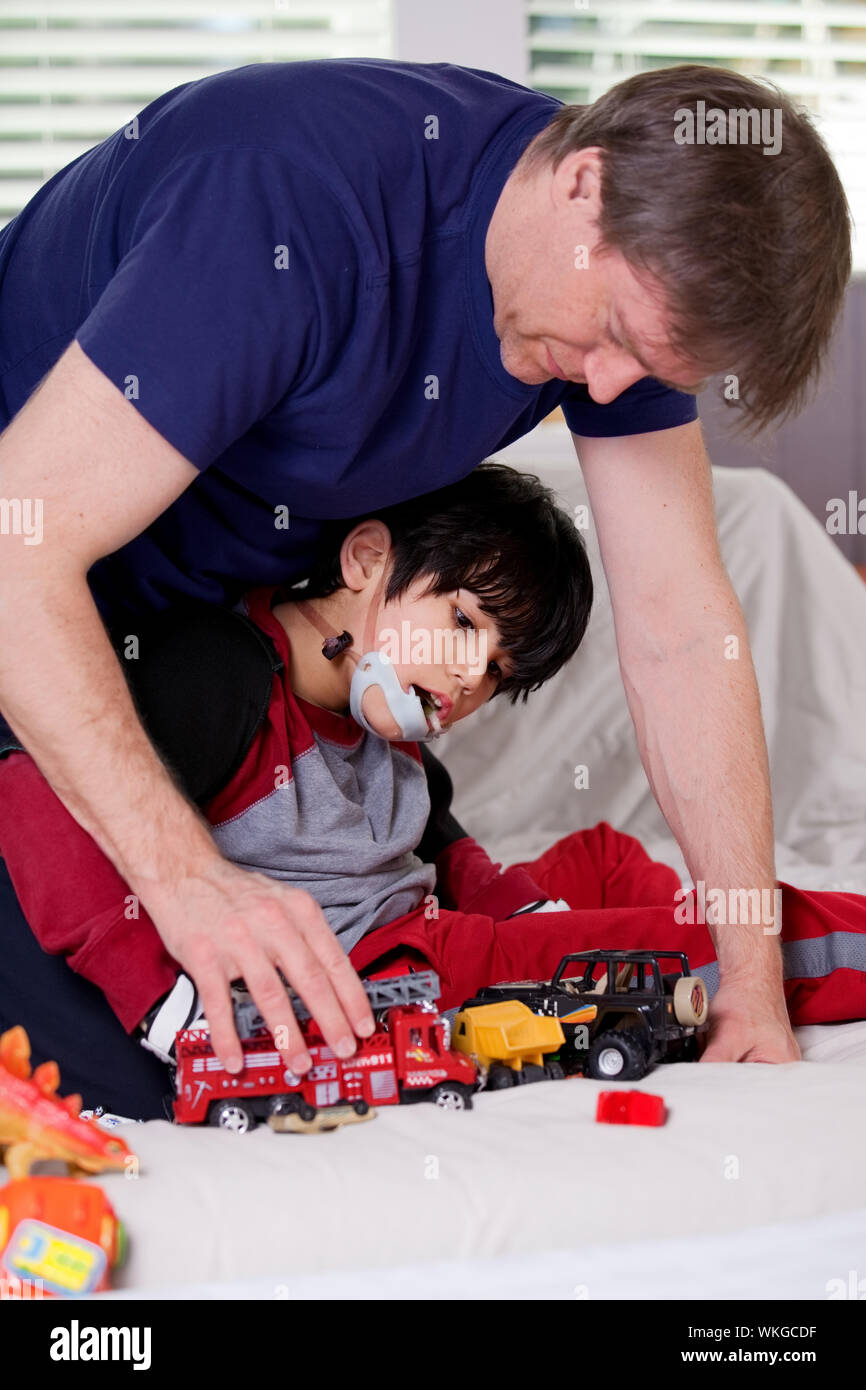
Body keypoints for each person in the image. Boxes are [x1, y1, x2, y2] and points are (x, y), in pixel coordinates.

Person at [0, 59, 852, 1074]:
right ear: (581, 180)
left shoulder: (612, 290)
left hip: (176, 648)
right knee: (130, 1068)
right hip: (34, 618)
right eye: (616, 335)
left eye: (657, 373)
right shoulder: (283, 204)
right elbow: (18, 550)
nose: (614, 387)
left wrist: (748, 979)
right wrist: (187, 881)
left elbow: (678, 628)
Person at [0, 465, 863, 1121]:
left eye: (496, 671)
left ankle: (568, 919)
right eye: (462, 623)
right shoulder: (220, 671)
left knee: (603, 854)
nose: (467, 679)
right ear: (367, 558)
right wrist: (160, 998)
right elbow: (34, 782)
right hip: (392, 971)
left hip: (435, 926)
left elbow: (442, 842)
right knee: (699, 940)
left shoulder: (385, 728)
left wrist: (519, 912)